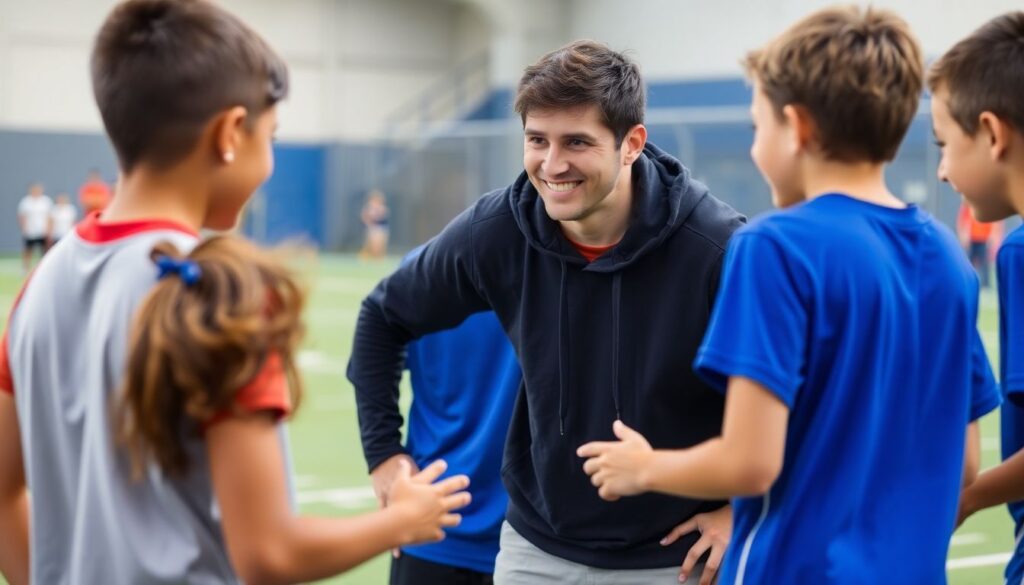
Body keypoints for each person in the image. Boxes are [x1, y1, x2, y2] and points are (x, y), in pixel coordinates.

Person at [0, 2, 468, 584]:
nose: (269, 161)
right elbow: (267, 552)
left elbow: (3, 497)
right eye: (269, 136)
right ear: (228, 134)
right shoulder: (219, 290)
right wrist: (399, 521)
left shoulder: (39, 285)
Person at [578, 7, 1000, 584]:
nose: (755, 147)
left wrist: (645, 468)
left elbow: (750, 463)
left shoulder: (775, 247)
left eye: (759, 127)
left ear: (797, 128)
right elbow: (966, 464)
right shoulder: (949, 258)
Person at [349, 40, 745, 585]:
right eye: (537, 140)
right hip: (534, 552)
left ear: (631, 144)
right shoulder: (497, 231)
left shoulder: (717, 248)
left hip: (672, 560)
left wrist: (741, 511)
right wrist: (384, 456)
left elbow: (805, 396)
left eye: (576, 142)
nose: (552, 165)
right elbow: (382, 317)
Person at [931, 12, 1024, 585]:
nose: (941, 171)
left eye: (945, 144)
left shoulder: (1018, 253)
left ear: (992, 133)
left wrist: (963, 500)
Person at [380, 246, 522, 585]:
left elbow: (370, 360)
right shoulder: (560, 271)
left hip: (434, 523)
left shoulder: (417, 269)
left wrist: (384, 455)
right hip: (526, 537)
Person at [957, 202, 999, 288]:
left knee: (984, 264)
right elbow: (962, 221)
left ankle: (985, 284)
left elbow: (994, 222)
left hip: (984, 237)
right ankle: (968, 281)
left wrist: (992, 235)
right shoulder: (967, 204)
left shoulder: (988, 205)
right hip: (971, 238)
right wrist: (963, 235)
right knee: (968, 262)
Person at [16, 183, 52, 273]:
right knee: (28, 250)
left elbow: (49, 217)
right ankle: (25, 267)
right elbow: (22, 216)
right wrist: (24, 228)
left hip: (42, 230)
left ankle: (45, 267)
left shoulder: (46, 201)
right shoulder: (26, 202)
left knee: (44, 250)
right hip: (30, 231)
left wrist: (48, 230)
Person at [359, 189, 390, 259]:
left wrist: (377, 214)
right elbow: (364, 217)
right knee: (371, 243)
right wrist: (369, 223)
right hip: (372, 227)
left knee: (380, 243)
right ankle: (366, 255)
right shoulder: (369, 208)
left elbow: (383, 216)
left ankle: (379, 256)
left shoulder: (382, 208)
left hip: (381, 227)